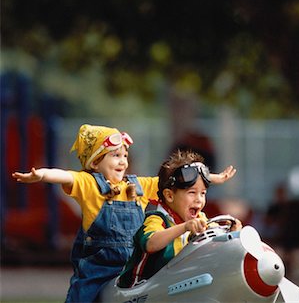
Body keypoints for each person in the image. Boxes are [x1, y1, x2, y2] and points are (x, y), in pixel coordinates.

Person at [12, 124, 237, 302]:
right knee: (83, 297)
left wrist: (213, 178)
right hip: (99, 269)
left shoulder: (137, 185)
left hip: (135, 265)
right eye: (115, 156)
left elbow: (173, 180)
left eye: (125, 155)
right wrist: (40, 175)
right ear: (96, 161)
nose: (123, 161)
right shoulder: (90, 185)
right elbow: (66, 176)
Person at [118, 149, 242, 288]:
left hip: (173, 286)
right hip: (141, 290)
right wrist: (184, 227)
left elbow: (213, 237)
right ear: (170, 196)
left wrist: (232, 233)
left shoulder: (199, 218)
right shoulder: (156, 217)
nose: (199, 200)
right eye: (192, 193)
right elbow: (151, 243)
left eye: (203, 193)